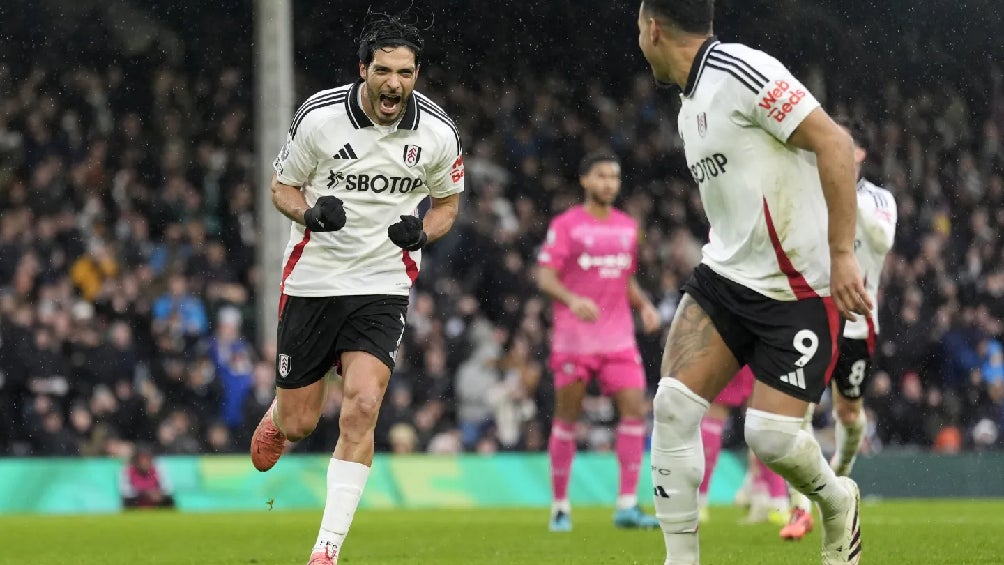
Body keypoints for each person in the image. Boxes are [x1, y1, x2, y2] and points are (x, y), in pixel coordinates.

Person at [636, 2, 871, 564]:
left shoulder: (740, 70)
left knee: (770, 439)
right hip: (726, 279)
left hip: (800, 291)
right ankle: (681, 559)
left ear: (653, 28)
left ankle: (837, 500)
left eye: (637, 32)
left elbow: (835, 143)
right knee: (671, 407)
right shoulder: (688, 104)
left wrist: (842, 254)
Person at [249, 10, 465, 565]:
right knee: (300, 422)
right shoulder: (320, 119)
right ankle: (279, 418)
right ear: (363, 69)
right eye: (386, 70)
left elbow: (447, 205)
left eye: (407, 73)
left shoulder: (438, 132)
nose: (396, 83)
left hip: (383, 281)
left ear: (417, 75)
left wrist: (422, 231)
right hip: (314, 277)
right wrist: (311, 213)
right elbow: (281, 187)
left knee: (363, 405)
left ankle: (327, 550)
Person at [782, 117, 897, 541]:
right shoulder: (807, 192)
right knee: (794, 411)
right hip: (808, 316)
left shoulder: (879, 198)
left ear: (859, 152)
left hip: (857, 323)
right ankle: (798, 508)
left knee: (848, 412)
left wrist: (844, 190)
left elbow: (882, 241)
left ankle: (841, 475)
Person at [535, 152, 662, 532]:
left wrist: (644, 305)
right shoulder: (567, 225)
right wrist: (573, 299)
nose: (609, 183)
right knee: (567, 419)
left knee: (634, 413)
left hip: (619, 338)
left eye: (614, 177)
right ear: (585, 181)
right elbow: (545, 277)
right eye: (601, 176)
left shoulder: (628, 227)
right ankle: (560, 506)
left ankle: (626, 505)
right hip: (575, 340)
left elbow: (624, 279)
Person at [698, 366, 789, 526]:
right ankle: (777, 503)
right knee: (761, 417)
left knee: (715, 411)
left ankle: (698, 503)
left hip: (729, 347)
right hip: (762, 347)